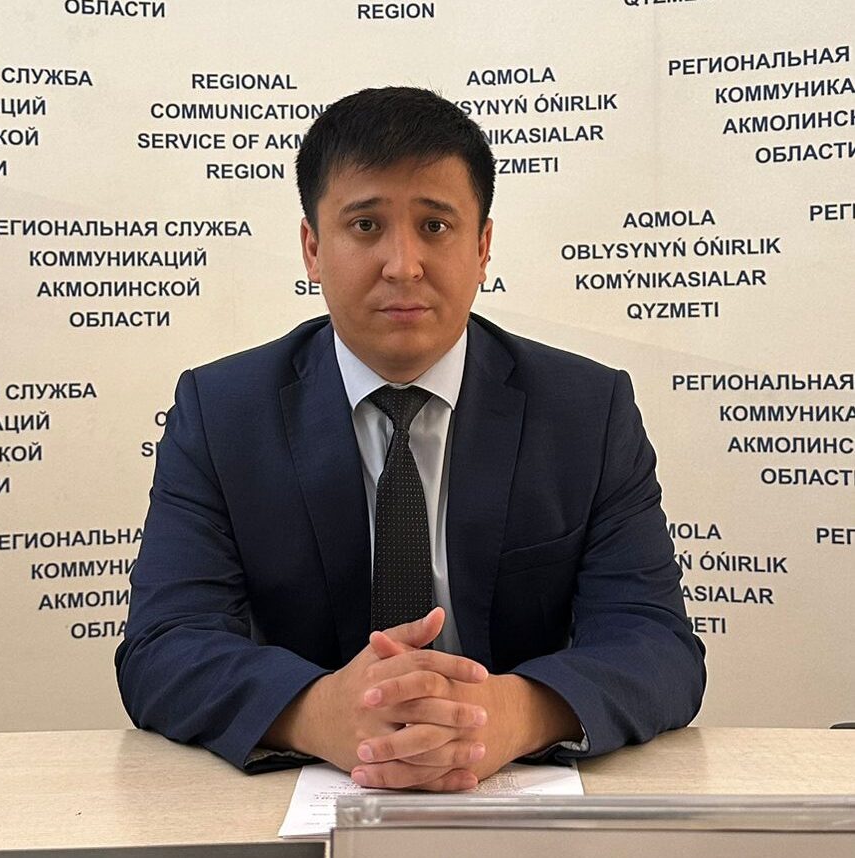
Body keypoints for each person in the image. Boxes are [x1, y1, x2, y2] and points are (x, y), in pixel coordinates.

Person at [115, 86, 705, 792]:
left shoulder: (586, 411)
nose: (403, 265)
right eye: (365, 225)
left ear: (482, 247)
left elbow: (656, 643)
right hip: (302, 799)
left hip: (512, 795)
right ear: (312, 248)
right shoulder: (221, 413)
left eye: (435, 226)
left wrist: (512, 713)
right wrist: (317, 712)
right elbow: (163, 646)